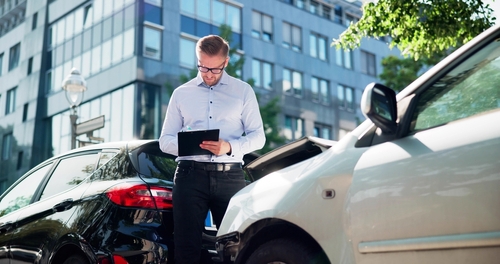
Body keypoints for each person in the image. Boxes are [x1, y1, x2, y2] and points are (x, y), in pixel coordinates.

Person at [159, 35, 266, 263]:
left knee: (236, 247)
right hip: (189, 177)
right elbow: (164, 141)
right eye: (202, 67)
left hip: (231, 177)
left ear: (225, 62)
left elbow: (259, 137)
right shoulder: (181, 94)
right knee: (186, 248)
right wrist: (190, 145)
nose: (207, 74)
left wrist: (230, 147)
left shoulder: (243, 92)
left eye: (214, 69)